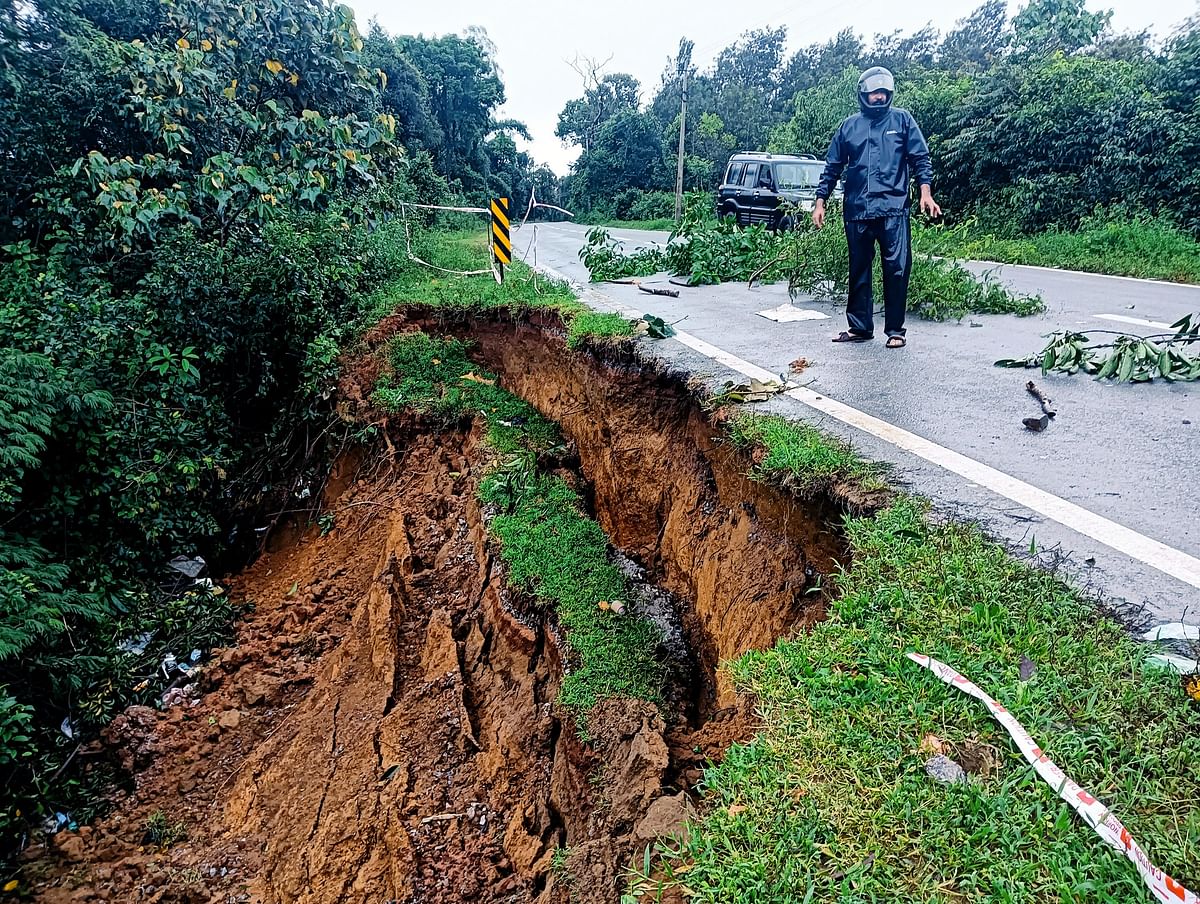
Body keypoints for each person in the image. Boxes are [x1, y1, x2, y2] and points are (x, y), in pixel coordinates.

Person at [812, 66, 942, 348]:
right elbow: (833, 166)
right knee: (858, 268)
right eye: (874, 93)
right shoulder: (849, 126)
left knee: (897, 268)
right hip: (857, 210)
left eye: (883, 92)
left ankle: (895, 330)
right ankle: (860, 327)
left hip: (893, 209)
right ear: (864, 94)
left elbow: (920, 158)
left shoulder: (903, 120)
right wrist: (820, 201)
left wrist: (925, 192)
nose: (879, 97)